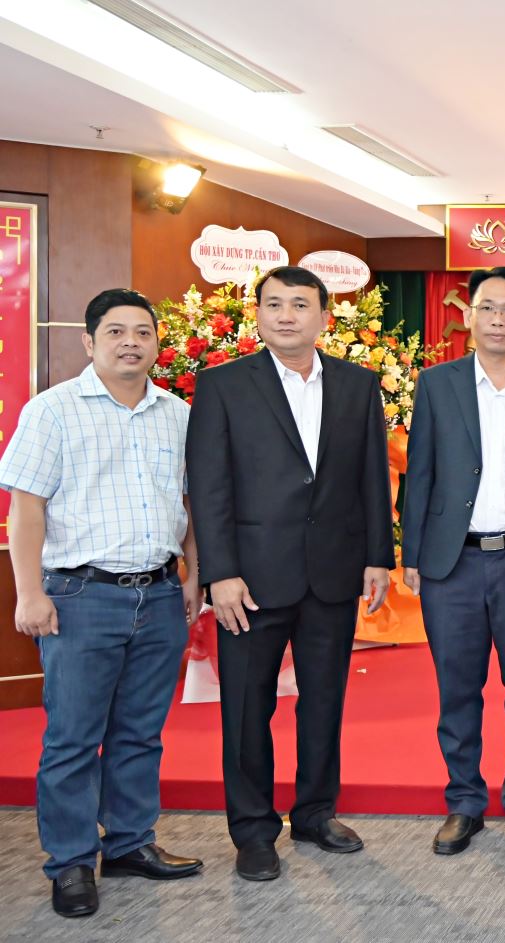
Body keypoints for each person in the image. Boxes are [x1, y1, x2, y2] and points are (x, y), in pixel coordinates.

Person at [1, 289, 203, 918]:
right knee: (73, 736)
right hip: (80, 596)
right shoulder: (52, 410)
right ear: (89, 341)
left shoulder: (176, 413)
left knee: (140, 733)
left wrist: (193, 576)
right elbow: (26, 508)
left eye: (143, 332)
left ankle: (130, 843)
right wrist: (29, 593)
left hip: (160, 593)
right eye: (116, 332)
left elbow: (189, 504)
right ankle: (69, 863)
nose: (130, 343)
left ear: (157, 344)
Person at [187, 266, 394, 881]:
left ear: (324, 317)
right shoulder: (223, 384)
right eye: (273, 303)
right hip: (249, 580)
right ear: (257, 314)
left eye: (299, 305)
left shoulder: (358, 385)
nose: (285, 315)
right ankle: (253, 831)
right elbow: (209, 485)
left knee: (324, 701)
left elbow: (372, 476)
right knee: (246, 709)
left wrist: (378, 556)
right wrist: (220, 572)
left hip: (332, 572)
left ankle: (315, 812)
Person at [401, 266, 505, 856]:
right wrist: (413, 553)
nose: (498, 320)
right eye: (488, 308)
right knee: (458, 690)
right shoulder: (436, 384)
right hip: (453, 563)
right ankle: (464, 802)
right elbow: (419, 471)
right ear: (468, 316)